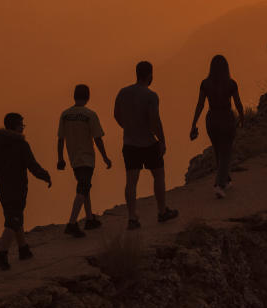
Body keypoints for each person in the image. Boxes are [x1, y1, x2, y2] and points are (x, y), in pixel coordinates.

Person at [113, 61, 178, 230]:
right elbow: (154, 120)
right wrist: (162, 140)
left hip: (129, 144)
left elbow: (116, 115)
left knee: (131, 182)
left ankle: (132, 218)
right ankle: (162, 211)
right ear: (149, 75)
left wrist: (128, 127)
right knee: (158, 175)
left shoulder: (123, 93)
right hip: (148, 143)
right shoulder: (151, 96)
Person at [0, 113, 52, 270]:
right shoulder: (21, 145)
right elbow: (32, 165)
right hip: (18, 189)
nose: (23, 127)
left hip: (3, 189)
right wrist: (45, 176)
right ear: (15, 126)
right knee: (13, 220)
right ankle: (1, 255)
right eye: (21, 124)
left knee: (14, 217)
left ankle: (23, 249)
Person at [57, 84, 112, 238]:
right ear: (88, 97)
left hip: (73, 157)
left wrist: (60, 158)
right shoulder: (90, 114)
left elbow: (61, 139)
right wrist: (105, 157)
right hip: (87, 157)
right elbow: (97, 138)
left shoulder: (65, 115)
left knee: (84, 185)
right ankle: (72, 223)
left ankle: (89, 219)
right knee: (83, 187)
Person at [190, 55, 244, 198]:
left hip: (212, 119)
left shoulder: (205, 84)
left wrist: (193, 124)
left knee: (218, 150)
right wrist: (243, 117)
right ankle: (219, 185)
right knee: (226, 152)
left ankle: (226, 180)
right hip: (226, 118)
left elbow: (200, 105)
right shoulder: (231, 84)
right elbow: (238, 103)